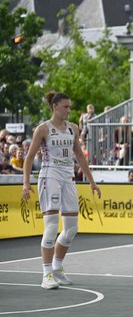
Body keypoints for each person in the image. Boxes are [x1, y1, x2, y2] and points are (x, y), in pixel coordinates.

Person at [22, 92, 101, 290]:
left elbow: (80, 157)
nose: (69, 110)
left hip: (68, 177)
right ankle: (46, 273)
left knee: (72, 229)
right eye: (66, 107)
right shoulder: (43, 129)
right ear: (55, 106)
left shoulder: (73, 128)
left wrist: (92, 182)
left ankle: (57, 268)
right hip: (50, 176)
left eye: (70, 107)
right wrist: (26, 183)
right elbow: (30, 157)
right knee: (50, 228)